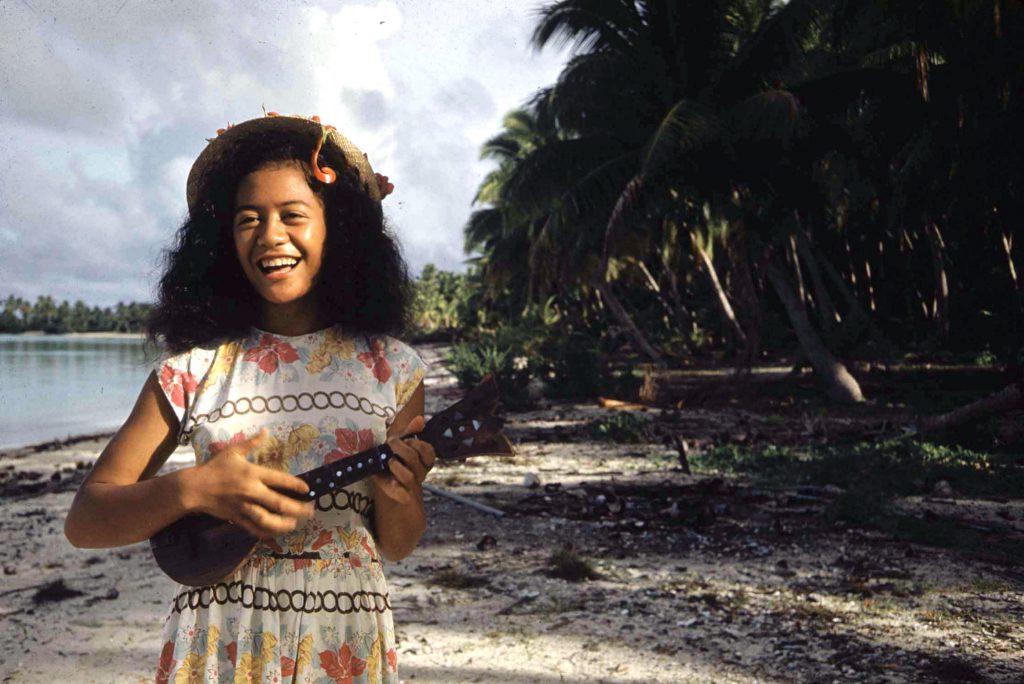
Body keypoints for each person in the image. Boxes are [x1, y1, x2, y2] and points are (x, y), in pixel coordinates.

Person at [63, 112, 434, 683]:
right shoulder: (193, 371)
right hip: (222, 639)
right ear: (223, 240)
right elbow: (86, 520)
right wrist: (192, 488)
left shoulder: (393, 369)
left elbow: (399, 543)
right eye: (248, 220)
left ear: (336, 229)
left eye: (293, 216)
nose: (270, 236)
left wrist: (398, 491)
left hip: (345, 636)